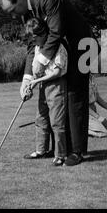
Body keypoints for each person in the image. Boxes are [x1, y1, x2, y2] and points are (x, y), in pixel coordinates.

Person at [0, 0, 92, 166]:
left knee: (74, 96)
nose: (13, 15)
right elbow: (31, 46)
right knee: (57, 100)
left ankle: (77, 151)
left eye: (12, 10)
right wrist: (27, 79)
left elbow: (56, 32)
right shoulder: (26, 13)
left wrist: (41, 61)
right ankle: (59, 150)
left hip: (82, 47)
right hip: (62, 50)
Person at [23, 18, 67, 166]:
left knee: (56, 122)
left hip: (56, 86)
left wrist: (35, 82)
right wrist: (30, 86)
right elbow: (38, 72)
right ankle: (41, 151)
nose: (32, 39)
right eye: (31, 36)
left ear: (43, 33)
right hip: (43, 86)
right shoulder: (37, 48)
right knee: (41, 119)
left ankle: (60, 155)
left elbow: (57, 72)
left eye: (34, 36)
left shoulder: (57, 46)